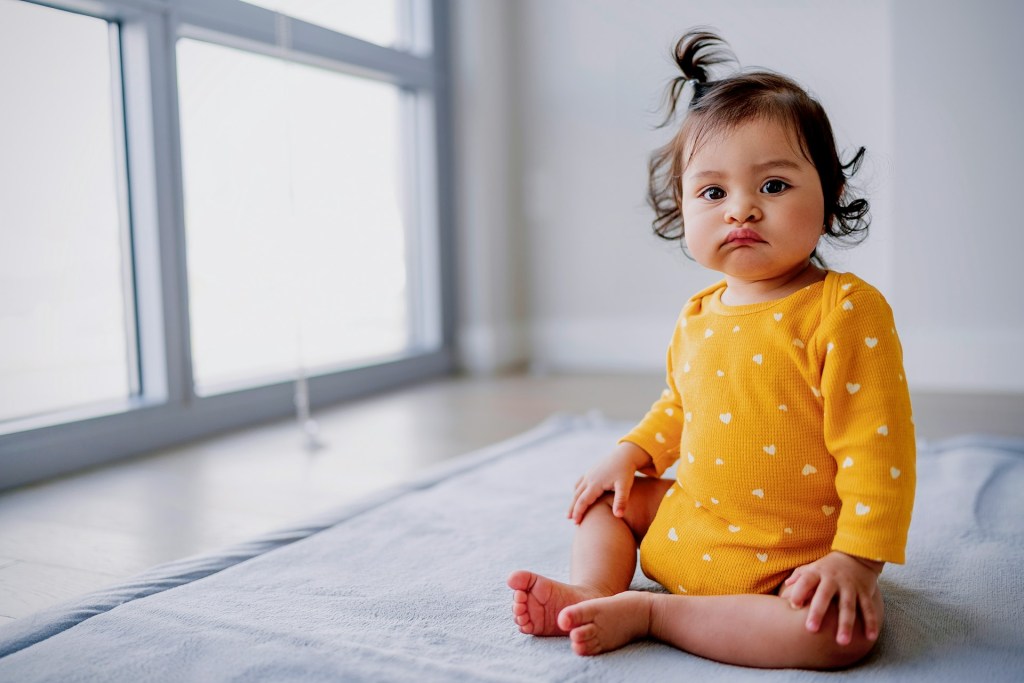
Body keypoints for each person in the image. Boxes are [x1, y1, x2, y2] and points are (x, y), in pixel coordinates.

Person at [507, 29, 916, 670]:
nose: (741, 211)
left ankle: (653, 614)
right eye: (713, 193)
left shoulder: (843, 310)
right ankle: (592, 590)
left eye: (773, 186)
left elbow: (877, 445)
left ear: (831, 194)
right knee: (602, 499)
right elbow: (680, 405)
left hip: (794, 558)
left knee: (841, 637)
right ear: (683, 208)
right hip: (694, 517)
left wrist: (856, 560)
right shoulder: (699, 314)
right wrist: (631, 452)